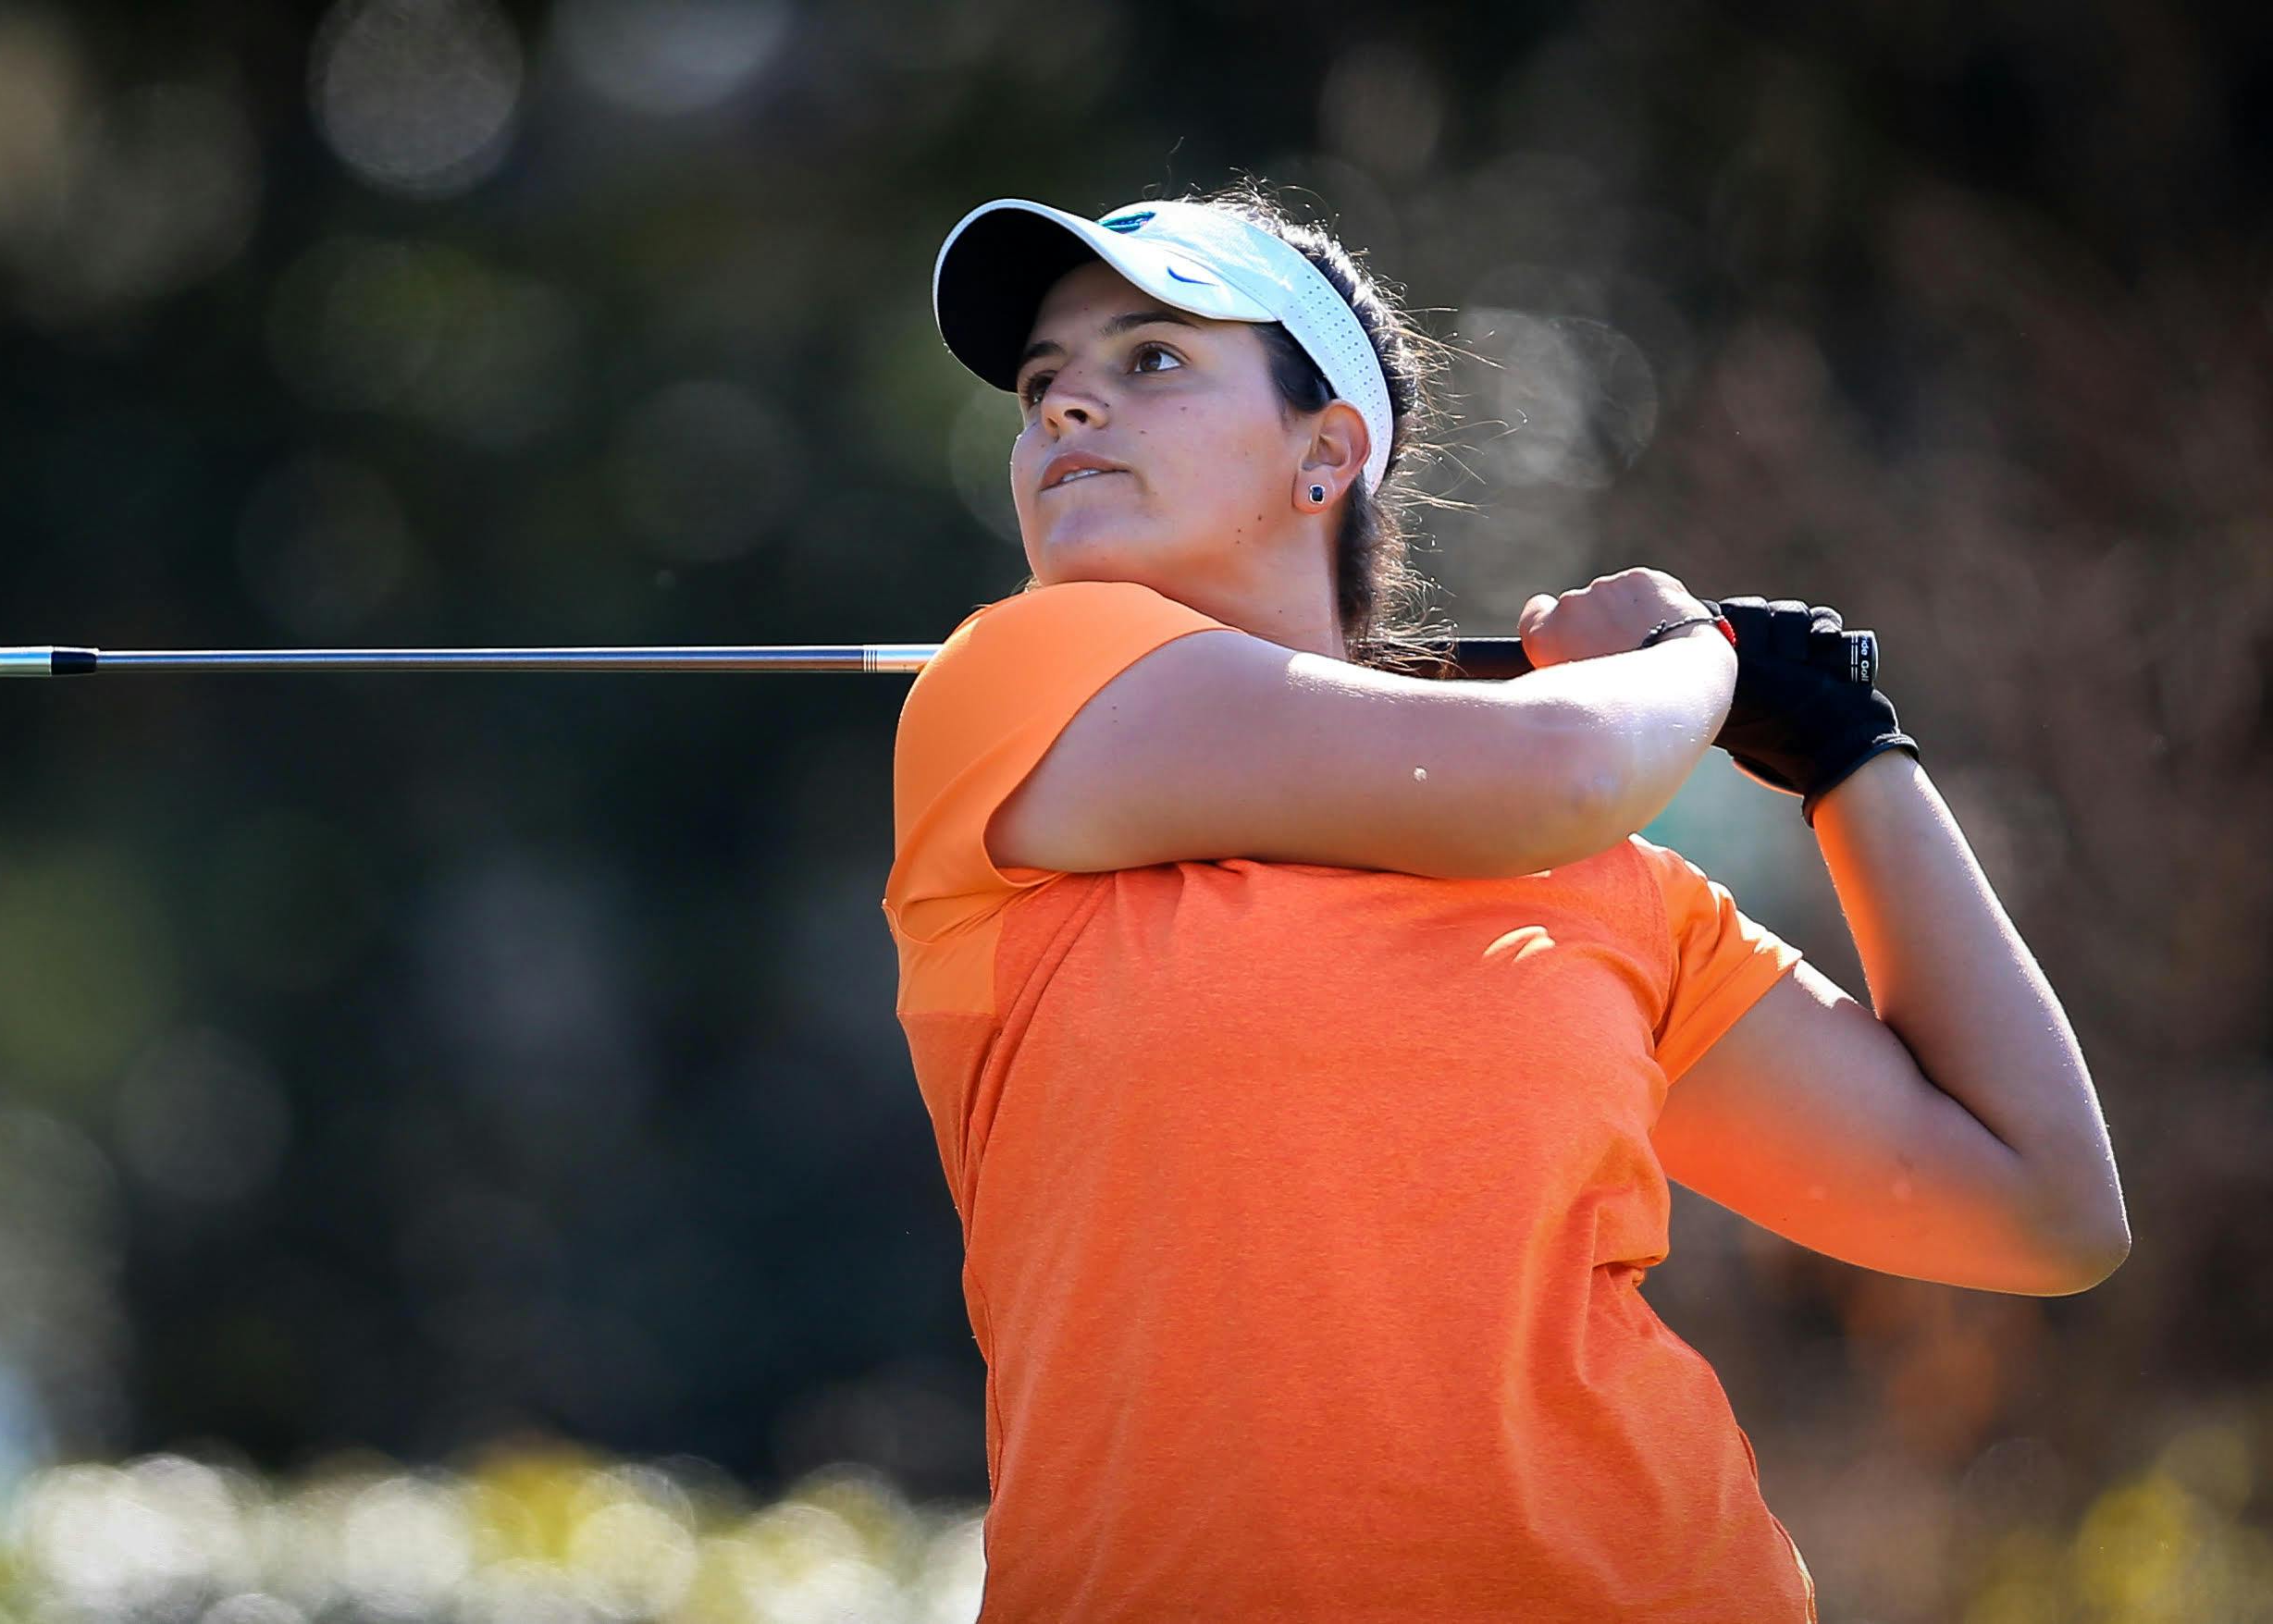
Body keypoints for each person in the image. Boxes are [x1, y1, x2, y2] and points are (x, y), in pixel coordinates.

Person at [880, 179, 2129, 1622]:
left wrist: (1854, 754)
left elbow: (2042, 1208)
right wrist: (1693, 653)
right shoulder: (1015, 686)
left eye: (1148, 359)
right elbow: (1556, 763)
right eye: (1044, 387)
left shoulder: (1610, 890)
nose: (1062, 415)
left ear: (1326, 453)